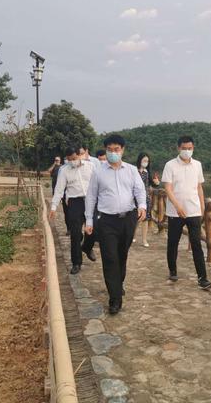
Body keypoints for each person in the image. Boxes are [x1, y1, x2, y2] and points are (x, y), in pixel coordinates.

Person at [85, 134, 146, 315]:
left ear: (122, 150)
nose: (113, 153)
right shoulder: (98, 171)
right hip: (107, 220)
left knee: (121, 255)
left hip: (128, 219)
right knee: (110, 257)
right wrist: (89, 220)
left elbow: (139, 190)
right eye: (109, 150)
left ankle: (118, 285)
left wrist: (142, 206)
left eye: (116, 149)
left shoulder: (132, 170)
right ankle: (115, 298)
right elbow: (91, 196)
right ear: (106, 150)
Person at [161, 135, 211, 290]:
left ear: (193, 148)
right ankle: (173, 270)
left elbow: (199, 187)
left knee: (196, 244)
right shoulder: (170, 165)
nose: (187, 151)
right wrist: (177, 206)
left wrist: (202, 206)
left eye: (189, 148)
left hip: (193, 210)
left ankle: (202, 278)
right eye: (184, 148)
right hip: (175, 212)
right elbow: (168, 188)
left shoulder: (197, 165)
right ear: (178, 148)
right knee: (173, 242)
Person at [49, 147, 94, 275]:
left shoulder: (91, 167)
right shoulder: (64, 170)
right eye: (69, 160)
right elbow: (59, 189)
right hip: (75, 202)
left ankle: (87, 247)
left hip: (90, 200)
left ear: (80, 155)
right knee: (75, 234)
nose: (72, 161)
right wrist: (53, 207)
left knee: (94, 230)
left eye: (74, 158)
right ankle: (76, 263)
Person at [135, 152, 160, 247]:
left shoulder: (147, 172)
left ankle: (144, 240)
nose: (146, 162)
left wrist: (157, 183)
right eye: (144, 160)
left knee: (145, 219)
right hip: (134, 199)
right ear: (140, 160)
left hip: (146, 199)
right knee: (135, 219)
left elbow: (153, 184)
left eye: (147, 161)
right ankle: (133, 236)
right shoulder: (134, 171)